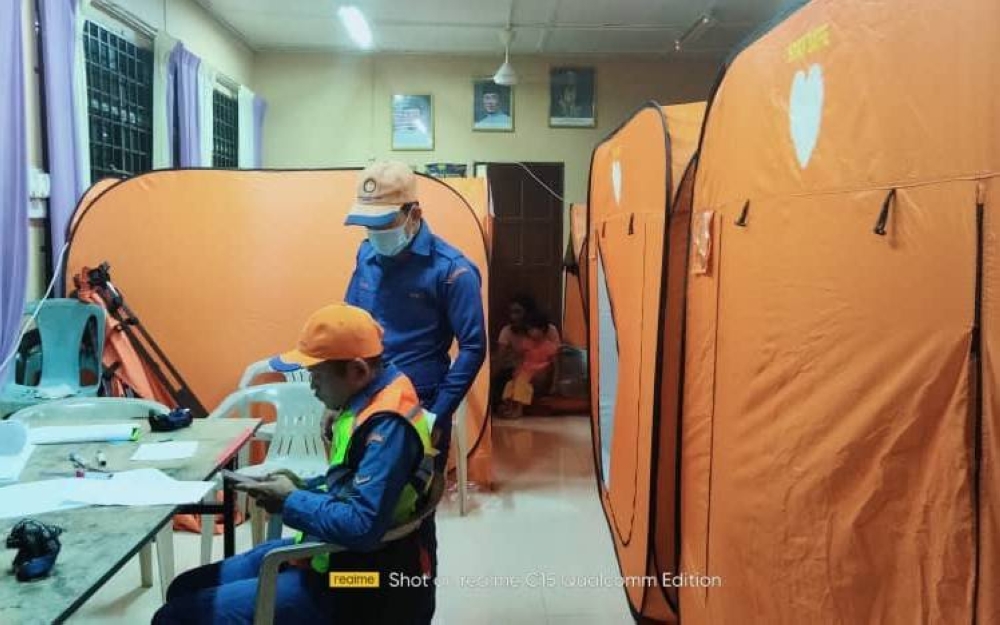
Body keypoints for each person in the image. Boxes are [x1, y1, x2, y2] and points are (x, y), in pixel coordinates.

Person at [152, 303, 437, 625]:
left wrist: (290, 499)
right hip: (334, 556)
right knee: (185, 587)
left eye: (317, 377)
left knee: (175, 617)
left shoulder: (388, 426)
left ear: (358, 371)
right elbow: (354, 486)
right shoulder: (371, 391)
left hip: (363, 582)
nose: (312, 387)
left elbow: (361, 527)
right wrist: (303, 487)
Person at [342, 160, 487, 621]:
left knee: (408, 522)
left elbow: (474, 346)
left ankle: (412, 609)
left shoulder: (451, 271)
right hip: (362, 406)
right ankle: (360, 601)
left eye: (383, 224)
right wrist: (340, 400)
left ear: (413, 215)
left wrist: (437, 415)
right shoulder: (367, 255)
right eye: (366, 225)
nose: (374, 234)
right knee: (359, 514)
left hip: (416, 412)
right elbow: (352, 324)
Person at [499, 311, 561, 419]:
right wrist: (517, 370)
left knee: (521, 383)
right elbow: (521, 358)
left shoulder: (549, 346)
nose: (529, 332)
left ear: (541, 329)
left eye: (532, 329)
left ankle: (518, 409)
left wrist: (554, 383)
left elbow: (556, 365)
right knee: (511, 383)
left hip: (540, 370)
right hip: (525, 369)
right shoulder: (526, 342)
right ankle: (509, 406)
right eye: (528, 329)